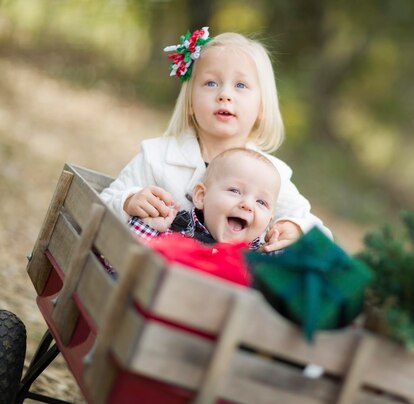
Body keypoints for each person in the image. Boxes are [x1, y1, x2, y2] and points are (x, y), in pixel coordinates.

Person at [100, 27, 330, 252]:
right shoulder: (157, 156)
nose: (225, 94)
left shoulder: (272, 174)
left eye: (240, 85)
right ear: (190, 102)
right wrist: (128, 201)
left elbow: (319, 232)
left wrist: (295, 227)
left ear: (261, 107)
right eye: (211, 83)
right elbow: (102, 202)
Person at [129, 147, 281, 251]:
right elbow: (121, 264)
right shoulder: (175, 230)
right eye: (235, 191)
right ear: (201, 196)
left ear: (268, 221)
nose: (248, 205)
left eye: (261, 202)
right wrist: (148, 227)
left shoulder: (259, 261)